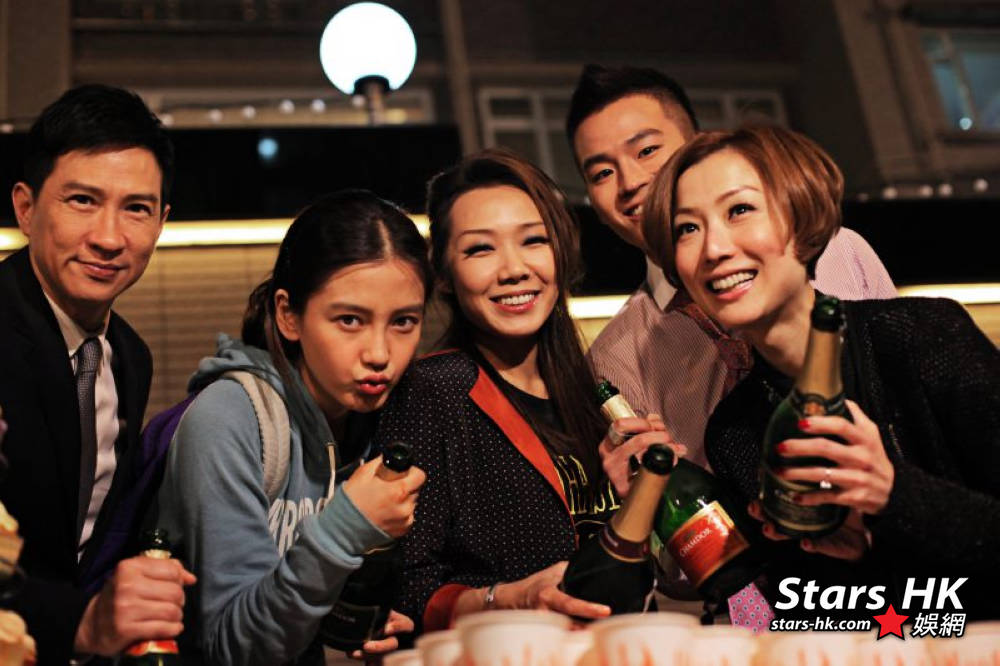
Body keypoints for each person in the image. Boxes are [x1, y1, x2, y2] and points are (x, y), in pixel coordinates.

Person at [643, 124, 1000, 618]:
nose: (714, 249)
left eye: (740, 210)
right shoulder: (735, 431)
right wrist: (843, 562)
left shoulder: (923, 338)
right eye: (687, 228)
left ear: (803, 216)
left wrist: (893, 494)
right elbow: (784, 617)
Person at [375, 148, 686, 635]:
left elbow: (635, 570)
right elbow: (403, 588)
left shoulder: (594, 391)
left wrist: (649, 496)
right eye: (481, 249)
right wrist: (509, 599)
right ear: (445, 275)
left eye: (534, 240)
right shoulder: (432, 392)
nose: (514, 269)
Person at [566, 65, 898, 494]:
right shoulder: (615, 359)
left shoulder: (840, 250)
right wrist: (642, 498)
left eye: (646, 150)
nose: (629, 182)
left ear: (697, 146)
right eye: (601, 174)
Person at [154, 191, 430, 664]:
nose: (380, 353)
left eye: (403, 322)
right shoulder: (230, 419)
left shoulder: (383, 422)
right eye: (349, 320)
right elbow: (234, 646)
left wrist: (364, 618)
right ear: (288, 316)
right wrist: (344, 531)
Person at [0, 84, 195, 663]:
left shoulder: (129, 356)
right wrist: (79, 623)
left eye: (136, 208)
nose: (109, 238)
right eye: (82, 200)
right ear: (26, 208)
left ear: (161, 221)